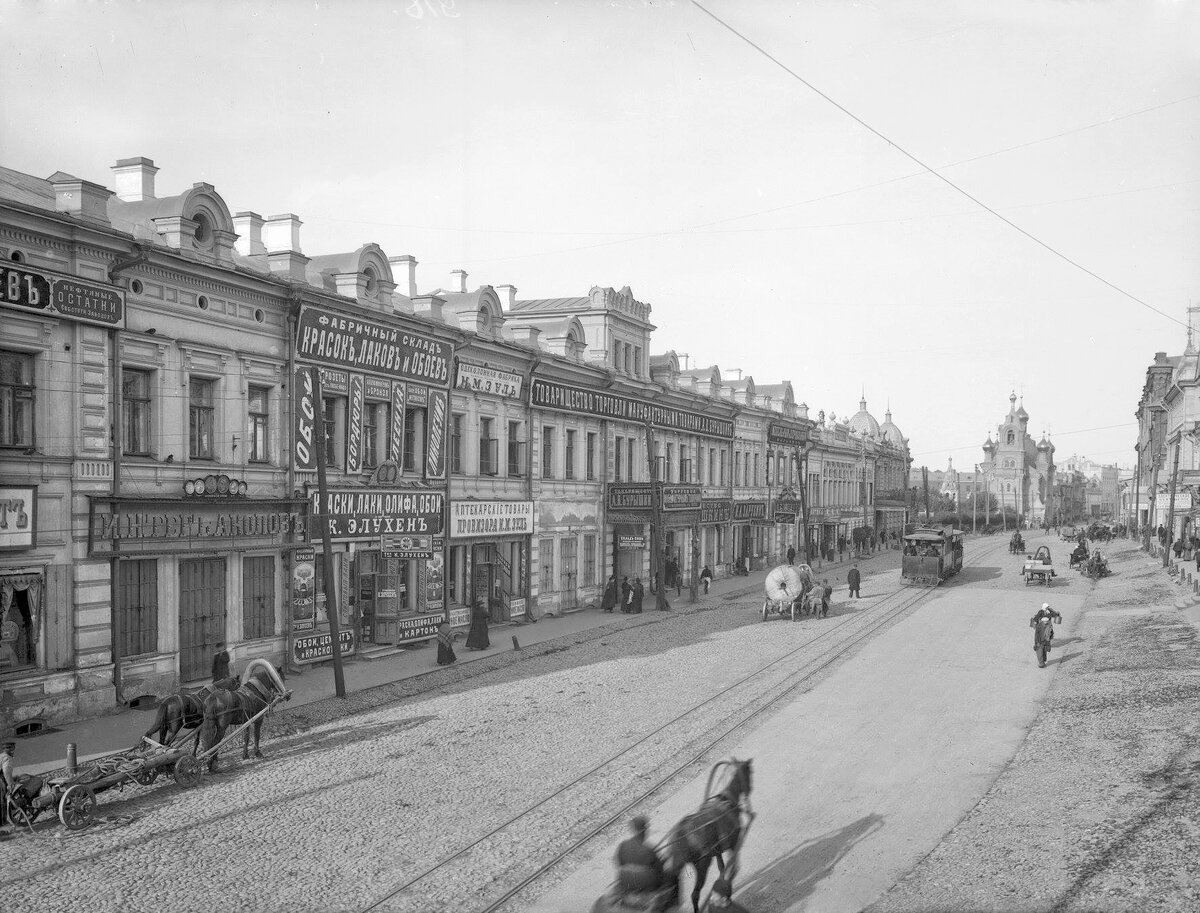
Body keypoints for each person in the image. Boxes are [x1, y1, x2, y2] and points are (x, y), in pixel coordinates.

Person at [614, 815, 668, 896]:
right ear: (644, 831)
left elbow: (619, 864)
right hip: (646, 885)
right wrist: (663, 860)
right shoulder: (648, 849)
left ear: (634, 830)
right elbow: (660, 870)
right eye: (647, 830)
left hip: (625, 881)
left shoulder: (623, 845)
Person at [0, 740, 15, 832]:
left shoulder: (0, 756)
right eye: (13, 748)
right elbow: (6, 772)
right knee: (3, 803)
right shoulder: (7, 758)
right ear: (11, 749)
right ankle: (3, 827)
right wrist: (10, 784)